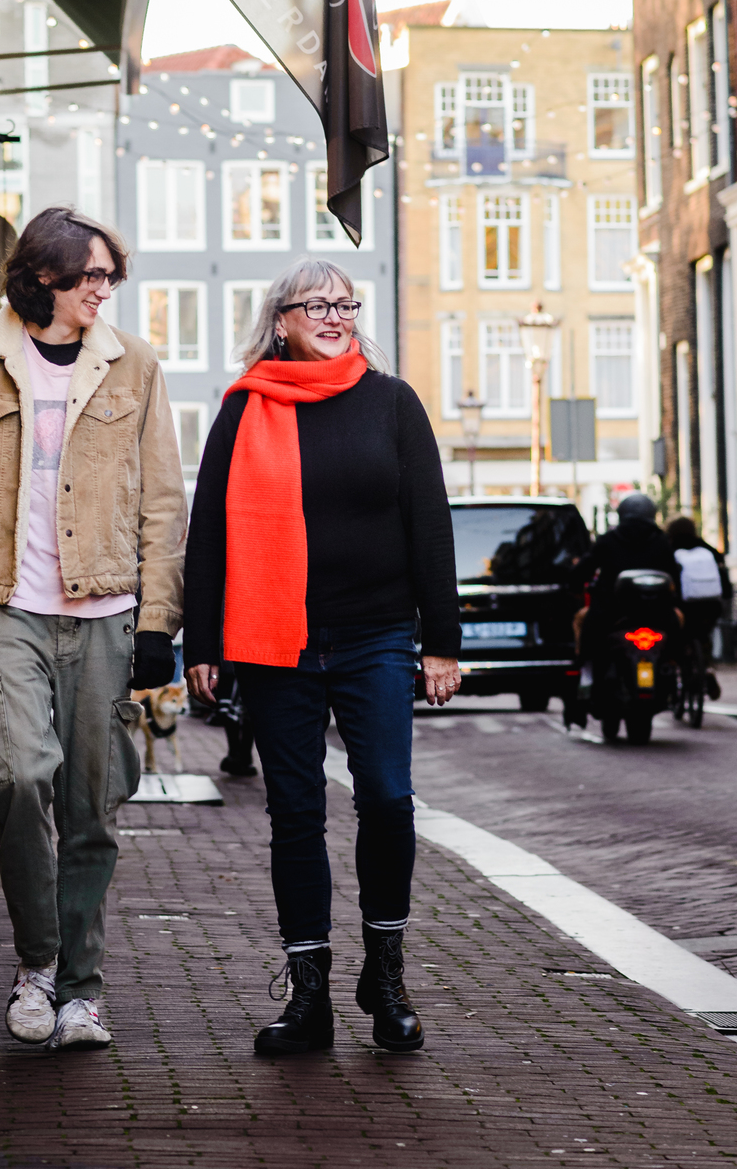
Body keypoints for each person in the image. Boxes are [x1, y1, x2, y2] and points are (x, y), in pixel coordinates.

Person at [0, 207, 186, 1048]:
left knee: (91, 809)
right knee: (20, 776)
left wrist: (157, 620)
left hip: (105, 615)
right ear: (43, 278)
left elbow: (162, 503)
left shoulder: (135, 367)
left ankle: (81, 991)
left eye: (110, 276)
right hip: (8, 609)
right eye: (90, 277)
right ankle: (37, 967)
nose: (104, 291)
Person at [183, 258, 461, 1058]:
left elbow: (430, 524)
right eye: (317, 303)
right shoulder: (244, 411)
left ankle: (386, 974)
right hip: (277, 644)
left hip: (375, 634)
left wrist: (440, 640)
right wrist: (204, 642)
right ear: (282, 320)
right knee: (295, 814)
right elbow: (210, 533)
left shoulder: (392, 402)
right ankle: (310, 997)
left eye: (346, 302)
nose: (336, 314)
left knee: (387, 798)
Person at [575, 491, 679, 659]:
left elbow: (583, 570)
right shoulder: (662, 542)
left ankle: (588, 675)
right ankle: (679, 670)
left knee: (587, 631)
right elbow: (675, 576)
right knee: (678, 635)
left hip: (611, 611)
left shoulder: (608, 540)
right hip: (658, 611)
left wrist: (575, 584)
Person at [666, 516, 729, 699]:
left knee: (678, 637)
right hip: (711, 605)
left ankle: (677, 672)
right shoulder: (708, 549)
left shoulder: (671, 550)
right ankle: (706, 668)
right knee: (703, 637)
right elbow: (724, 580)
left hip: (684, 606)